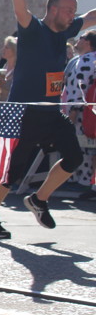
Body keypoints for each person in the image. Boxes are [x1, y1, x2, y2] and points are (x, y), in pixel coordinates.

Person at [0, 0, 96, 239]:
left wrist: (84, 16)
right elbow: (21, 10)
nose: (72, 15)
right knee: (14, 169)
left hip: (51, 112)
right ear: (53, 10)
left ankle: (39, 199)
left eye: (73, 11)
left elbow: (90, 17)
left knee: (74, 157)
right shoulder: (34, 30)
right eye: (68, 10)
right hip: (24, 112)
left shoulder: (65, 30)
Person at [62, 30, 96, 193]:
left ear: (88, 42)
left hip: (82, 115)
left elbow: (78, 91)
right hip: (90, 113)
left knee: (81, 147)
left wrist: (71, 116)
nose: (77, 40)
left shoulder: (85, 61)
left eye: (81, 38)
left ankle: (82, 180)